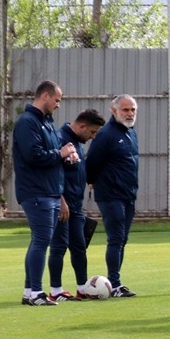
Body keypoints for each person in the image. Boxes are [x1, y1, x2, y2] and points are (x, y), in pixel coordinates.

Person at [14, 81, 78, 306]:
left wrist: (68, 157)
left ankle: (29, 290)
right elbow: (33, 155)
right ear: (45, 97)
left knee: (39, 241)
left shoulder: (47, 122)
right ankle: (37, 293)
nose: (58, 105)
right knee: (41, 241)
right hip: (35, 191)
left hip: (50, 191)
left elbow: (53, 156)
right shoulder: (27, 122)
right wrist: (59, 153)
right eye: (57, 100)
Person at [85, 94, 140, 298]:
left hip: (128, 195)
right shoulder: (106, 134)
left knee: (122, 239)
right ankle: (114, 284)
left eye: (133, 109)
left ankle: (116, 282)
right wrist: (91, 180)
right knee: (116, 238)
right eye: (125, 110)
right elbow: (91, 162)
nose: (130, 113)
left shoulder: (131, 133)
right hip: (110, 195)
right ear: (113, 111)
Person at [48, 108, 105, 301]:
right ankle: (56, 291)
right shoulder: (59, 138)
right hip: (62, 203)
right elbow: (53, 173)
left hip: (76, 205)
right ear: (82, 126)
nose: (93, 136)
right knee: (59, 246)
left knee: (79, 246)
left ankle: (83, 287)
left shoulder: (78, 142)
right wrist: (60, 200)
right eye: (92, 132)